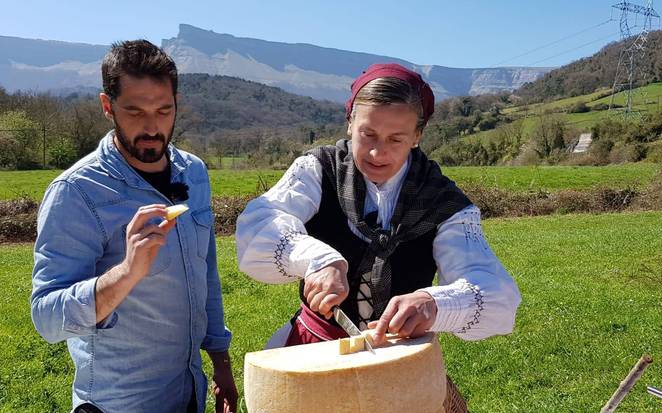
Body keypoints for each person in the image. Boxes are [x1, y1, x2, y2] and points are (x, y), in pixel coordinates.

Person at [235, 63, 521, 410]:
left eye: (396, 139)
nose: (377, 153)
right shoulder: (318, 169)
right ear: (349, 124)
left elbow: (497, 296)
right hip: (310, 354)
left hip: (398, 367)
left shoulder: (442, 201)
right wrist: (316, 260)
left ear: (418, 135)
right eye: (367, 134)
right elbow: (260, 225)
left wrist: (435, 304)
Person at [30, 40, 237, 413]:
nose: (152, 127)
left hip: (190, 394)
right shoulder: (76, 192)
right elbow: (46, 317)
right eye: (135, 111)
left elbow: (206, 272)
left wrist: (221, 362)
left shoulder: (193, 173)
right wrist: (126, 272)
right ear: (107, 107)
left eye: (163, 110)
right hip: (118, 404)